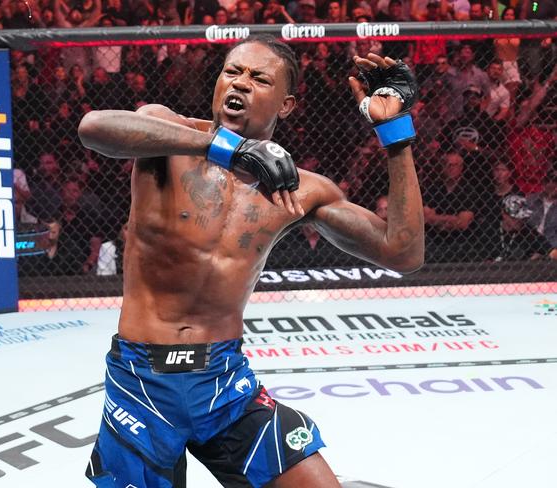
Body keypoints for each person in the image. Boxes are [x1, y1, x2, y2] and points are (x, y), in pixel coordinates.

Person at [78, 35, 424, 487]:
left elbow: (403, 252)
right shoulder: (169, 136)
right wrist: (227, 148)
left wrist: (394, 134)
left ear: (286, 105)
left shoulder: (298, 189)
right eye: (232, 72)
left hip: (223, 383)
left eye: (259, 78)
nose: (240, 83)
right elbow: (94, 128)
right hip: (142, 380)